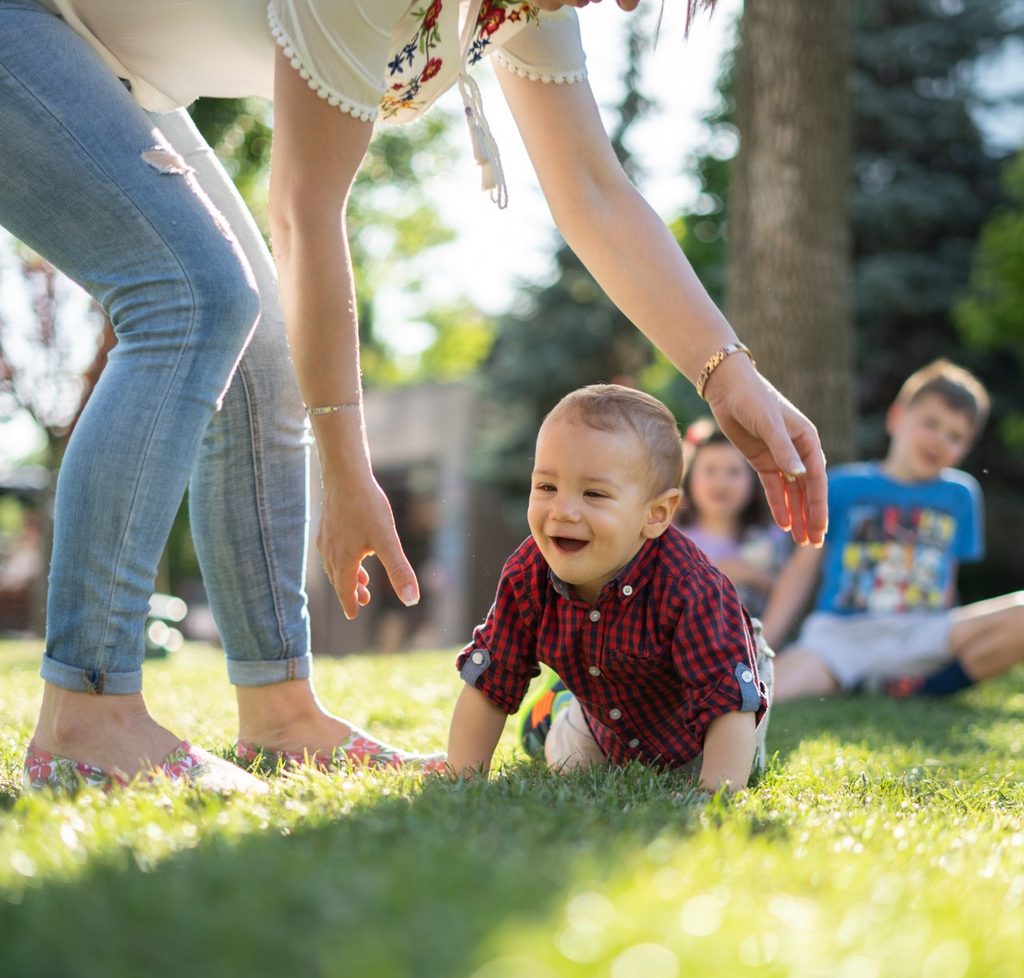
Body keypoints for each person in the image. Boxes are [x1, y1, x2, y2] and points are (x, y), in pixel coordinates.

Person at [4, 0, 823, 794]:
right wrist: (346, 471)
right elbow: (304, 210)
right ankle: (87, 717)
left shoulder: (527, 8)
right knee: (196, 295)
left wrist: (729, 376)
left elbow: (592, 193)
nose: (628, 1)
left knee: (257, 344)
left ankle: (280, 714)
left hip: (104, 63)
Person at [446, 385, 771, 792]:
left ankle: (561, 702)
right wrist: (460, 779)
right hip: (606, 719)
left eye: (594, 494)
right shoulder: (527, 574)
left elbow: (728, 702)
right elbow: (490, 680)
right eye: (547, 487)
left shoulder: (692, 587)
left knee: (726, 768)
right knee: (570, 764)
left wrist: (716, 796)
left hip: (706, 721)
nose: (563, 511)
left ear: (655, 515)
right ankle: (557, 709)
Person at [763, 360, 1024, 701]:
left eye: (956, 436)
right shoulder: (843, 486)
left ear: (966, 448)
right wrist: (764, 642)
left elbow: (947, 579)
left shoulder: (961, 495)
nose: (940, 440)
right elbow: (802, 570)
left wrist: (953, 634)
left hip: (922, 633)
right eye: (931, 423)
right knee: (765, 691)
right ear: (897, 418)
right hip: (841, 637)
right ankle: (868, 681)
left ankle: (920, 688)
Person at [676, 419, 791, 618]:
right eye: (710, 470)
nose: (721, 483)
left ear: (753, 482)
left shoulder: (771, 536)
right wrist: (718, 571)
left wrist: (752, 575)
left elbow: (789, 591)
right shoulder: (672, 535)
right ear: (690, 476)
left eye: (734, 472)